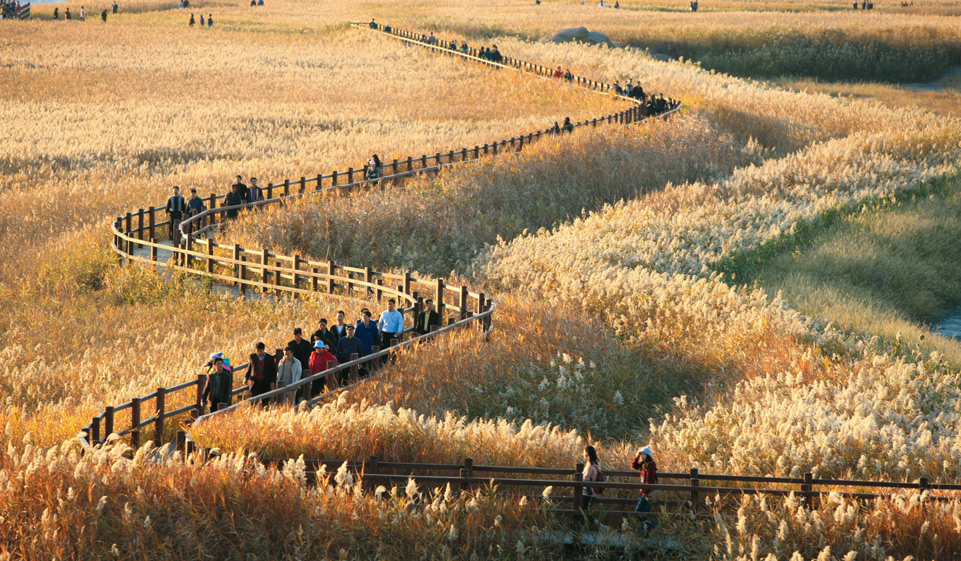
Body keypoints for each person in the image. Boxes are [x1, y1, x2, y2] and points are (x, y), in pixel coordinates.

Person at [632, 445, 658, 529]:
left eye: (644, 454)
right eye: (641, 454)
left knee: (638, 512)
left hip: (647, 493)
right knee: (644, 513)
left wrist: (646, 493)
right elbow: (634, 465)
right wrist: (637, 456)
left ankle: (654, 527)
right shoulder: (644, 464)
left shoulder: (650, 465)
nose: (642, 456)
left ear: (648, 455)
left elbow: (650, 480)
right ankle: (646, 530)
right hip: (645, 492)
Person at [582, 445, 603, 524]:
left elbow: (586, 479)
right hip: (594, 492)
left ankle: (600, 526)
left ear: (587, 454)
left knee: (584, 512)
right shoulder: (598, 464)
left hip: (587, 493)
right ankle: (598, 526)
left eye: (584, 453)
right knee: (587, 511)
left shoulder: (590, 467)